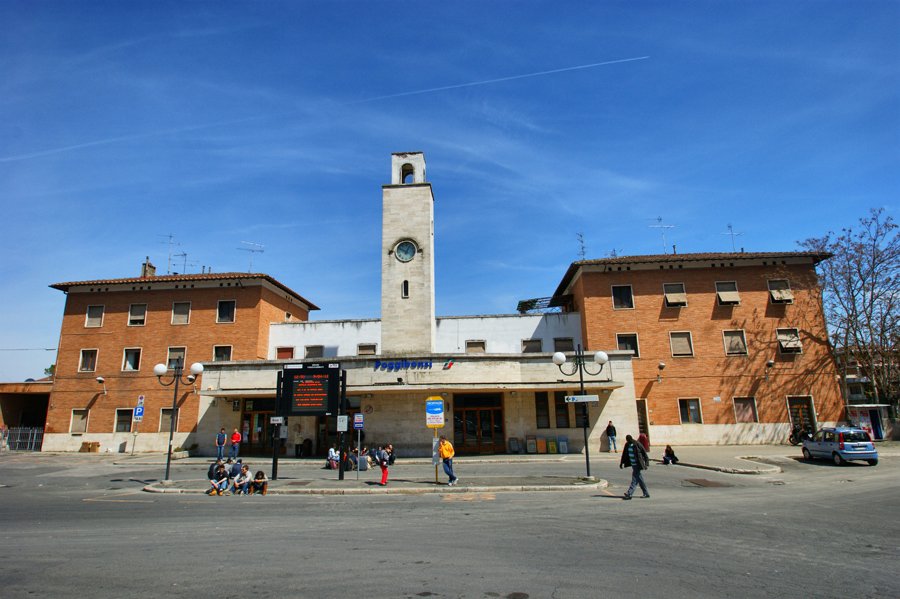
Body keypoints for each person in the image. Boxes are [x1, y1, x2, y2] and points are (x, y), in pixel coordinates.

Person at [619, 434, 650, 500]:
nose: (628, 441)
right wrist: (621, 463)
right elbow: (624, 454)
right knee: (639, 479)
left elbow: (644, 453)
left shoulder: (637, 444)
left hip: (638, 464)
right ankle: (646, 493)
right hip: (633, 464)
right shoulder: (627, 445)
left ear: (631, 439)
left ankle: (629, 493)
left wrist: (646, 463)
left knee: (634, 479)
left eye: (629, 440)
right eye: (627, 440)